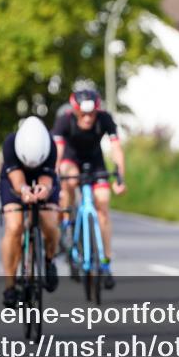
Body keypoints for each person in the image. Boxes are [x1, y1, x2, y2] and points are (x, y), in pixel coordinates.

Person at [52, 87, 126, 290]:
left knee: (103, 205)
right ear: (75, 111)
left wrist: (120, 176)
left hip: (95, 163)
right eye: (82, 114)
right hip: (70, 159)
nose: (87, 118)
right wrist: (55, 179)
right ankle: (66, 224)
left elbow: (116, 148)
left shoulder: (105, 119)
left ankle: (105, 263)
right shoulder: (64, 121)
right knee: (68, 180)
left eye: (91, 113)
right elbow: (57, 153)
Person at [0, 116, 61, 308]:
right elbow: (18, 182)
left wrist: (44, 190)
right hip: (14, 180)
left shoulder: (50, 146)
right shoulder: (10, 143)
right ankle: (10, 286)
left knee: (49, 221)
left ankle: (49, 260)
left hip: (43, 176)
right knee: (14, 225)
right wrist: (24, 191)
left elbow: (47, 180)